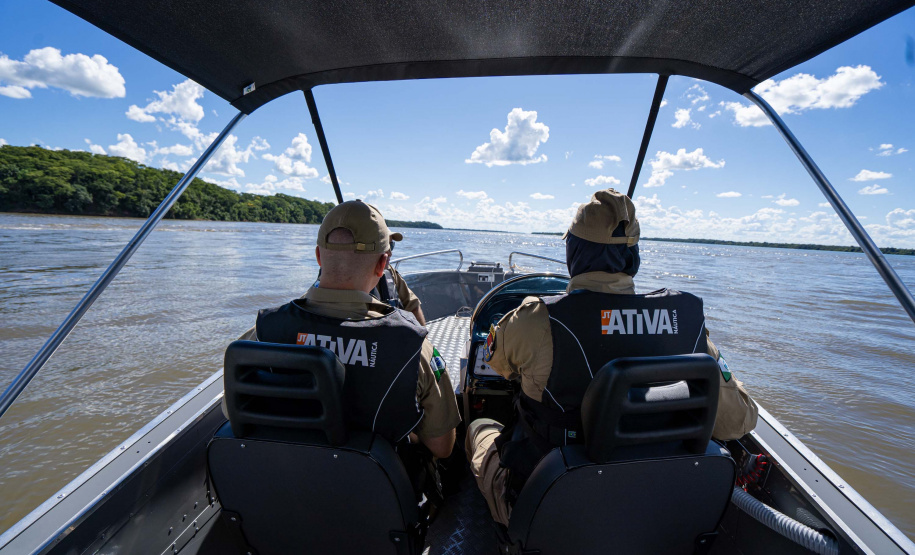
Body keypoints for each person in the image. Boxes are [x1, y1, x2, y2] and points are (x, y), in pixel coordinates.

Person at [467, 188, 758, 527]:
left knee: (479, 428)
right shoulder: (687, 323)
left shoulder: (538, 318)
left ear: (572, 253)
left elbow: (501, 367)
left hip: (552, 513)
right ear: (633, 257)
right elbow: (738, 421)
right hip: (656, 512)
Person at [249, 200, 460, 461]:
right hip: (378, 483)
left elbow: (235, 411)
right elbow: (442, 447)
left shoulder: (264, 331)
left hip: (281, 475)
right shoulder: (413, 348)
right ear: (382, 265)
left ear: (318, 256)